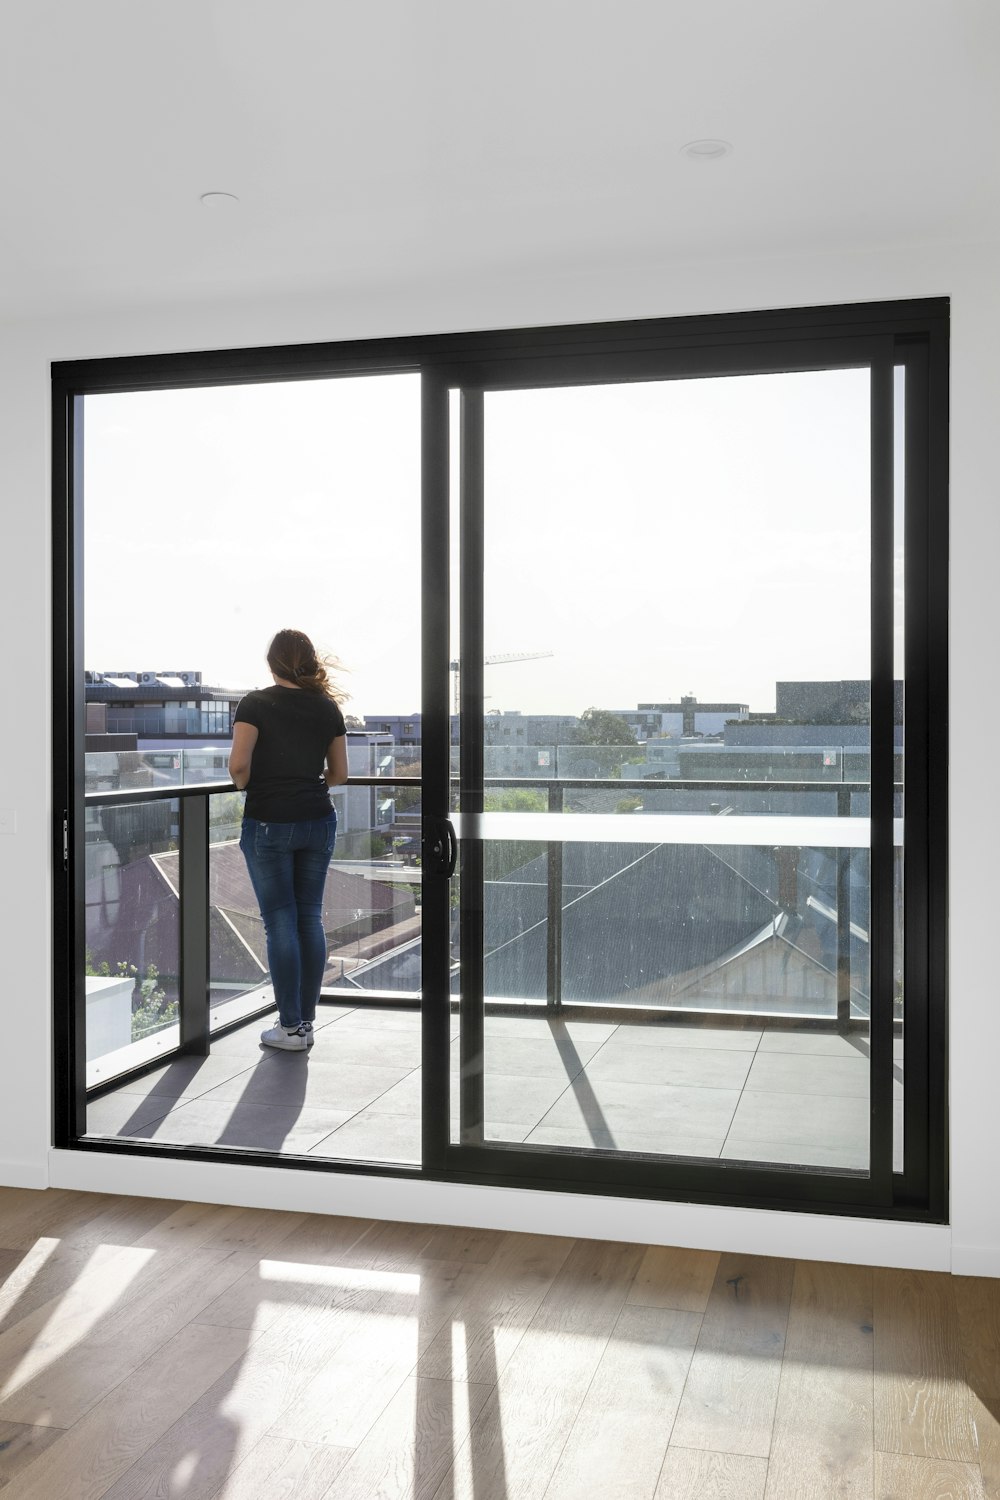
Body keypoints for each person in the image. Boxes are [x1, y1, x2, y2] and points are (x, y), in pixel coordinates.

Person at [229, 629, 349, 1051]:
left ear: (271, 662)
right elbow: (338, 774)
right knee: (308, 918)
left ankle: (290, 1026)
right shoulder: (326, 707)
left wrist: (248, 785)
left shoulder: (255, 704)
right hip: (318, 820)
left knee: (280, 922)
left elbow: (238, 765)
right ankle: (305, 1024)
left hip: (269, 822)